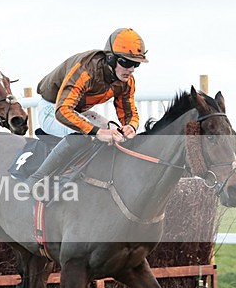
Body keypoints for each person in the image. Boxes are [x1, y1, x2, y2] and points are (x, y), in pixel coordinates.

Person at [27, 28, 148, 183]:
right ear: (110, 58)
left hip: (78, 111)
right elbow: (62, 111)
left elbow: (129, 113)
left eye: (136, 64)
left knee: (116, 134)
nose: (131, 69)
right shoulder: (86, 71)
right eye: (126, 62)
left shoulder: (127, 81)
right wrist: (96, 132)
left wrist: (131, 127)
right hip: (53, 109)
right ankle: (35, 179)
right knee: (88, 135)